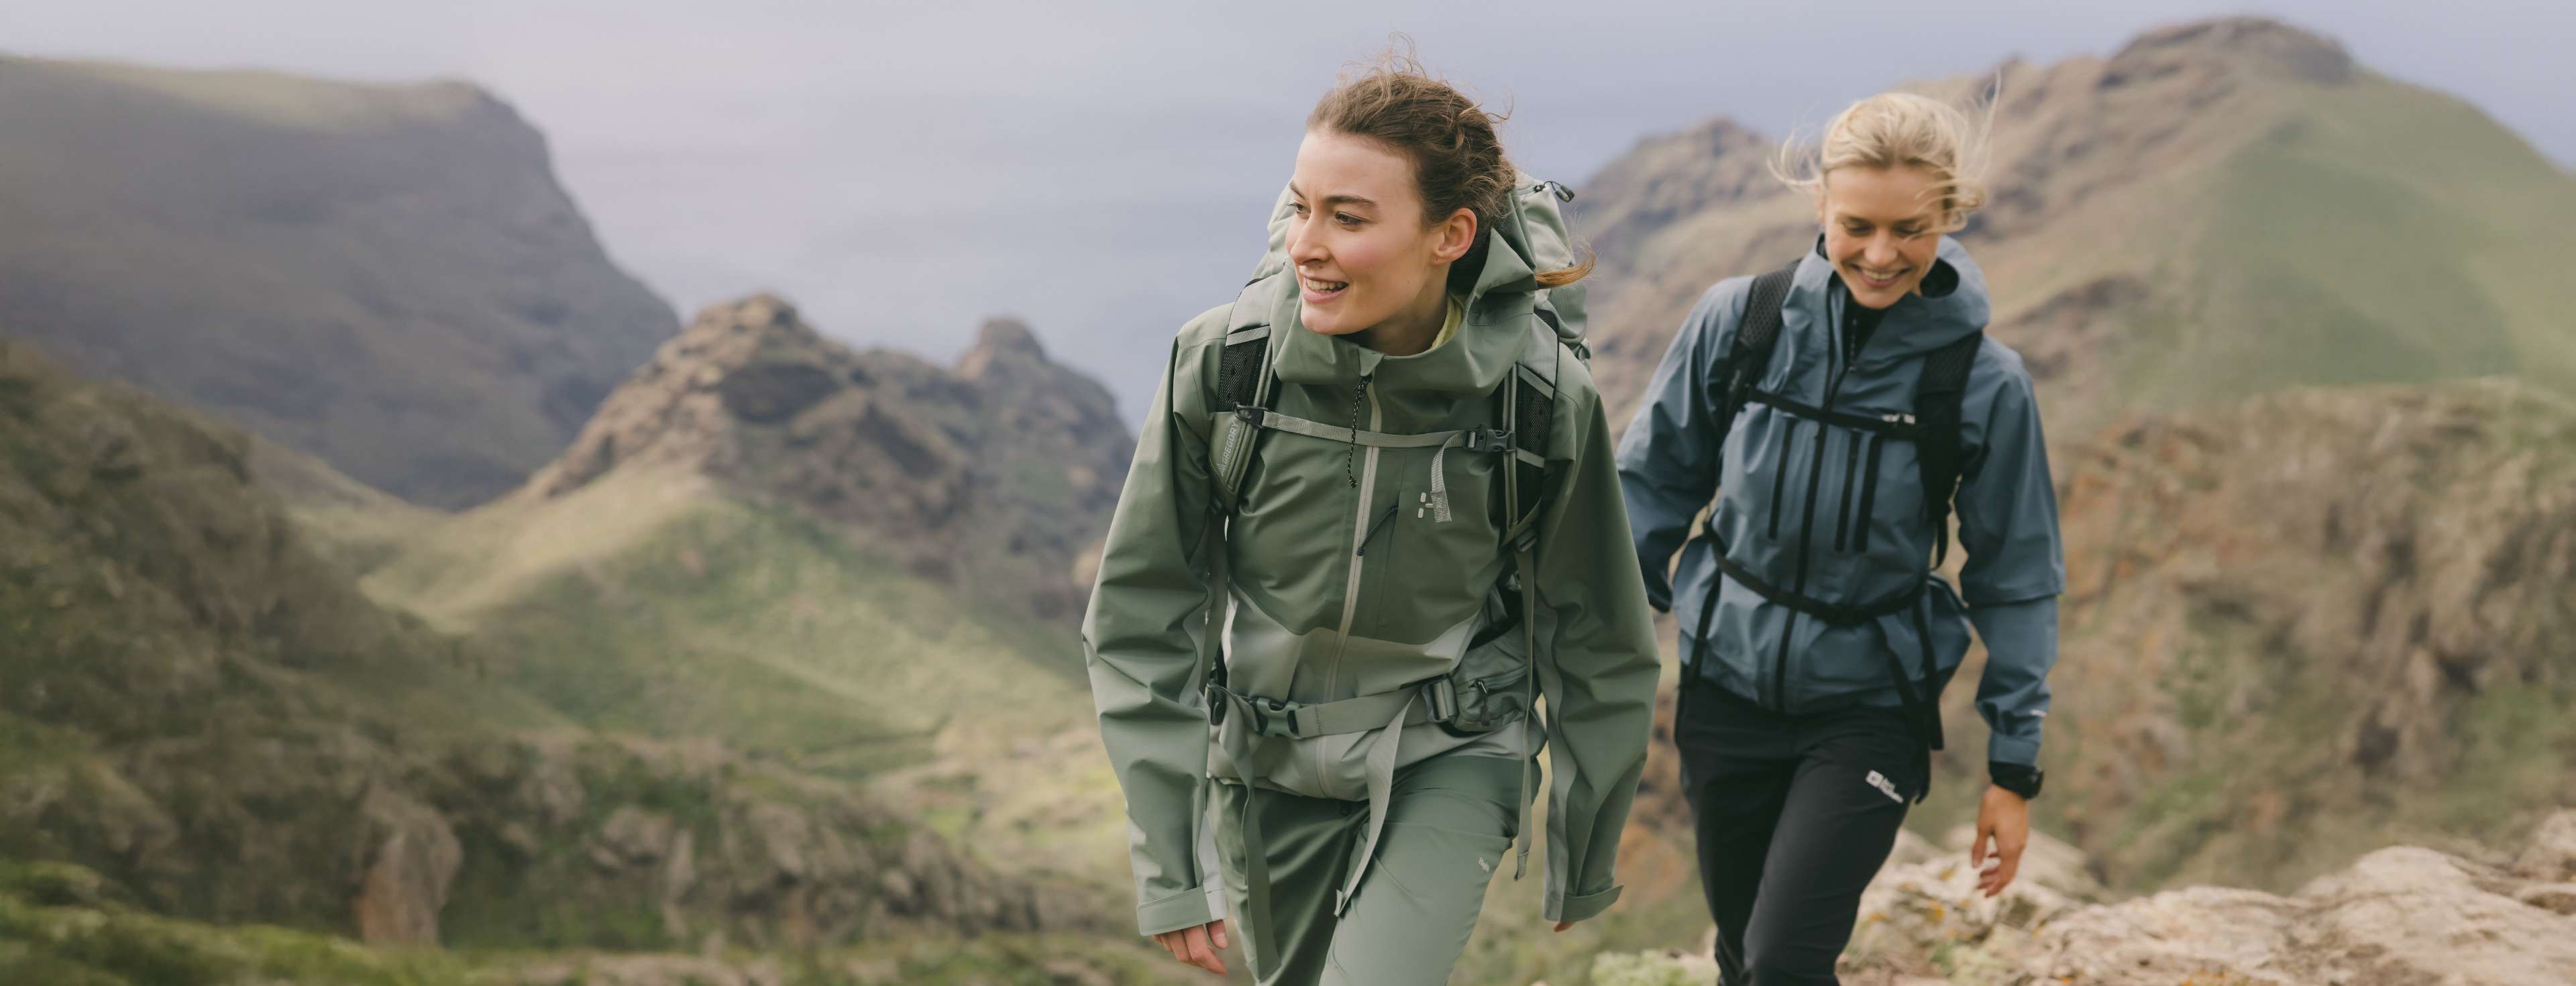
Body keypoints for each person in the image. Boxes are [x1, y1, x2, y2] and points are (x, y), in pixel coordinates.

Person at [1082, 50, 1662, 985]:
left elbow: (1598, 632)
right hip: (1265, 759)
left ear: (1449, 234)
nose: (1306, 242)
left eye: (1348, 218)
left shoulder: (1542, 399)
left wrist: (1586, 844)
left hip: (1452, 747)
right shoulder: (1224, 366)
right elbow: (1141, 617)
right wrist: (1169, 856)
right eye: (1302, 205)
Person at [1615, 90, 2064, 985]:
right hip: (1723, 692)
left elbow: (2016, 575)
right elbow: (1648, 491)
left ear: (1950, 214)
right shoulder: (1739, 322)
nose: (1881, 253)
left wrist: (2013, 765)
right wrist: (1600, 658)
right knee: (1746, 953)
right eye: (1857, 224)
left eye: (1910, 228)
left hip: (1869, 705)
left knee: (1784, 960)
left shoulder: (1982, 382)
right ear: (1820, 203)